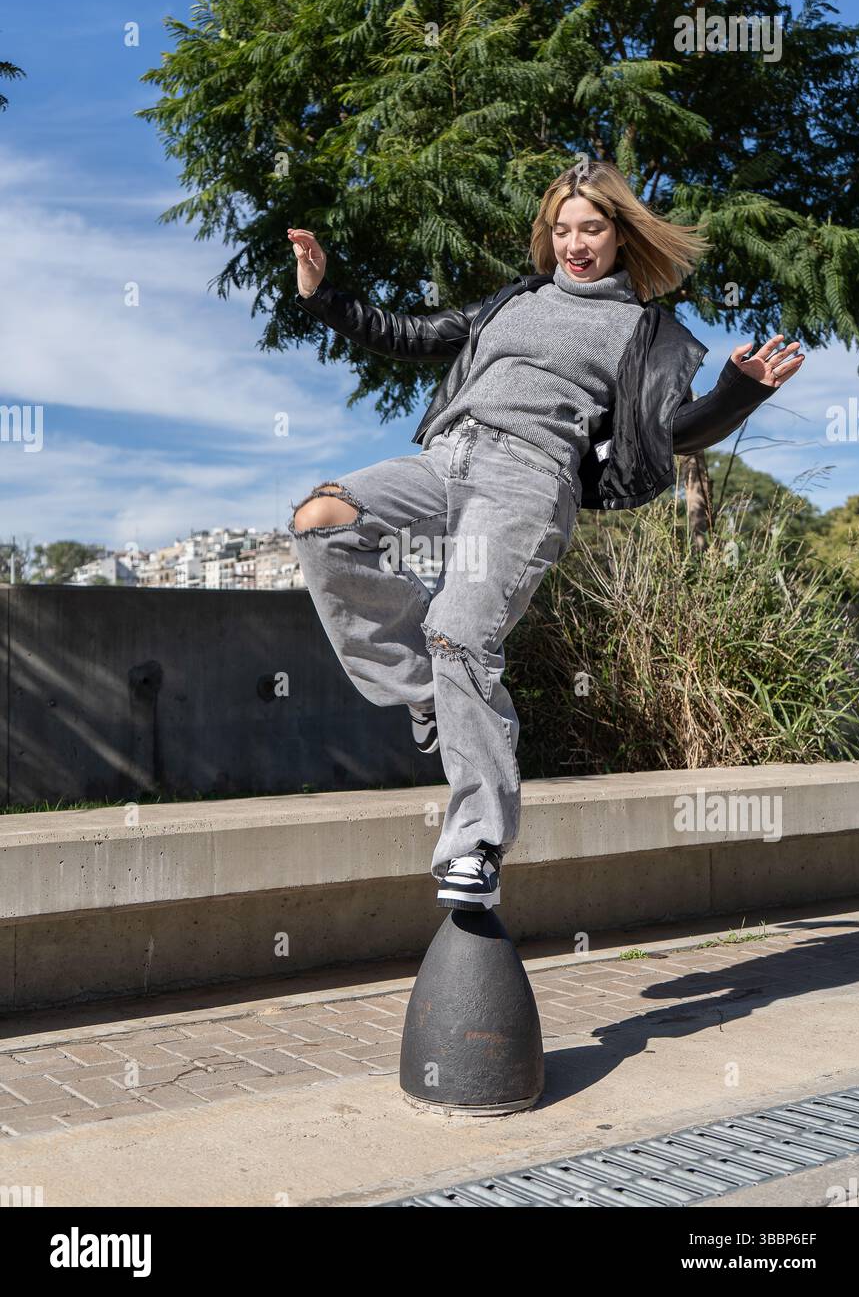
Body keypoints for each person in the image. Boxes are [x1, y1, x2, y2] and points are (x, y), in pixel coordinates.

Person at [287, 160, 804, 913]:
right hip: (446, 456)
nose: (574, 243)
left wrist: (740, 390)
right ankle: (426, 694)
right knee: (322, 521)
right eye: (561, 230)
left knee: (461, 633)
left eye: (590, 228)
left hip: (527, 481)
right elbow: (410, 333)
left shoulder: (644, 330)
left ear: (621, 233)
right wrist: (322, 292)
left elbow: (671, 432)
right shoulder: (517, 299)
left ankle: (476, 845)